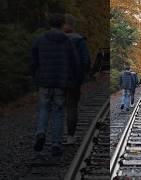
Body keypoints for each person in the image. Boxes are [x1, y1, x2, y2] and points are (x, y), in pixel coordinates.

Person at [31, 13, 80, 156]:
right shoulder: (67, 41)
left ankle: (40, 133)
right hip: (61, 82)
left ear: (50, 24)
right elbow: (74, 62)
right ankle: (56, 144)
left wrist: (35, 77)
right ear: (62, 24)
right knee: (58, 112)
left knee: (43, 109)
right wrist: (75, 80)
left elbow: (34, 62)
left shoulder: (40, 40)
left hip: (44, 81)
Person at [63, 14, 91, 145]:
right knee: (71, 107)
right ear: (72, 25)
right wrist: (82, 78)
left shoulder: (49, 38)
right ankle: (70, 136)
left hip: (53, 81)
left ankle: (54, 138)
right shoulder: (78, 40)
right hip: (72, 80)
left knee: (53, 109)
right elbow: (85, 61)